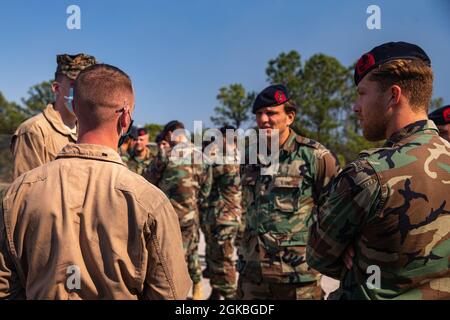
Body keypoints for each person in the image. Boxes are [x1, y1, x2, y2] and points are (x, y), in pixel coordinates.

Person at [0, 64, 191, 299]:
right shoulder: (149, 202)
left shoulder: (19, 193)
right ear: (126, 117)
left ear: (74, 108)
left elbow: (5, 286)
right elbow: (171, 293)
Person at [307, 41, 450, 300]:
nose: (355, 106)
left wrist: (355, 248)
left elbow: (319, 255)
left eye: (362, 93)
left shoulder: (369, 174)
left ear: (393, 96)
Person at [237, 84, 340, 300]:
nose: (264, 119)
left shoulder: (315, 156)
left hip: (297, 277)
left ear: (290, 117)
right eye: (259, 114)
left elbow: (336, 211)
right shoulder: (249, 157)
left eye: (271, 113)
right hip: (253, 274)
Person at [144, 121, 212, 300]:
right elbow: (206, 189)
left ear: (169, 135)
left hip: (167, 219)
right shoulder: (202, 157)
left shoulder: (165, 155)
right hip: (191, 217)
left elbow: (147, 182)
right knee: (191, 252)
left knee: (168, 262)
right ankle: (196, 285)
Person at [11, 54, 97, 179]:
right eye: (75, 85)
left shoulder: (87, 131)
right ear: (57, 89)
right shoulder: (34, 131)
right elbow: (28, 191)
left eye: (88, 86)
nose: (84, 92)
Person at [201, 125, 242, 300]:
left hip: (224, 217)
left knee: (223, 260)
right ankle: (216, 293)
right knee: (215, 257)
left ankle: (231, 296)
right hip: (223, 216)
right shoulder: (238, 157)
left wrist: (206, 159)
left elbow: (205, 187)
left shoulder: (226, 161)